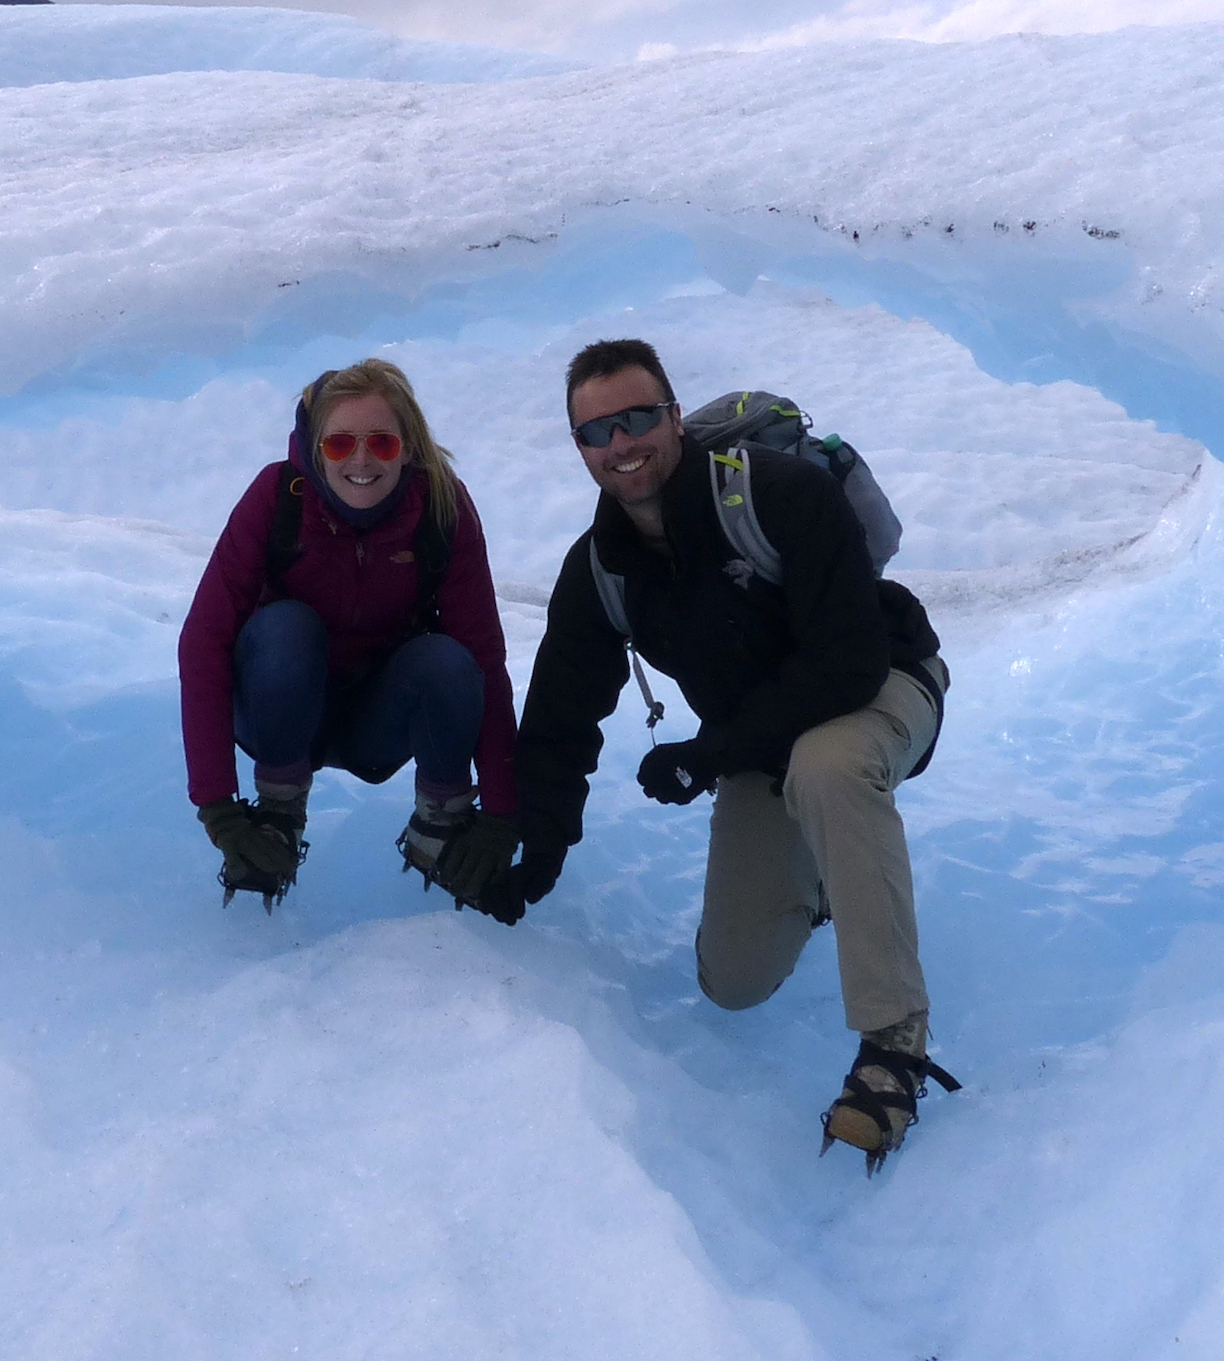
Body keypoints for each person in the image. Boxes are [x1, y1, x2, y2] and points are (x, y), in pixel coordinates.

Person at [474, 337, 958, 1171]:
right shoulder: (602, 570)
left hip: (882, 687)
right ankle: (837, 873)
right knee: (732, 981)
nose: (621, 445)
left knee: (829, 765)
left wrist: (711, 754)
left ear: (672, 415)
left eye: (637, 418)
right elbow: (561, 717)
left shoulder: (781, 495)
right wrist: (537, 848)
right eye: (598, 432)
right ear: (580, 449)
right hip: (764, 743)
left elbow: (845, 663)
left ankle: (895, 1042)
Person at [176, 359, 521, 910]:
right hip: (276, 709)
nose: (361, 460)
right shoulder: (276, 497)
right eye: (339, 445)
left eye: (381, 442)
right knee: (287, 628)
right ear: (315, 450)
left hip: (374, 721)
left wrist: (503, 814)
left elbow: (483, 657)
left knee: (448, 662)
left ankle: (443, 826)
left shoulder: (441, 506)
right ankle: (276, 816)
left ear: (409, 447)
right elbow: (204, 642)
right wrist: (217, 807)